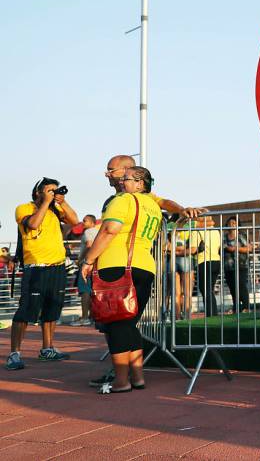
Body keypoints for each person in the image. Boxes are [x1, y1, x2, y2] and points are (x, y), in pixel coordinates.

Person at [80, 167, 159, 393]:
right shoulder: (152, 205)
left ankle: (121, 381)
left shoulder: (122, 200)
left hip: (117, 264)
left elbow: (109, 229)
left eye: (126, 179)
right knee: (129, 322)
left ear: (140, 183)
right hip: (145, 265)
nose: (122, 182)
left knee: (115, 323)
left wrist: (88, 260)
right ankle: (137, 377)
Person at [7, 178, 79, 370]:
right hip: (36, 267)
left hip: (57, 266)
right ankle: (14, 353)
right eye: (49, 191)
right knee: (25, 310)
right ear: (38, 192)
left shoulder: (56, 210)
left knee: (52, 309)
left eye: (54, 191)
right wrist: (47, 202)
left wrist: (62, 202)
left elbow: (75, 221)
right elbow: (32, 224)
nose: (52, 194)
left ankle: (47, 348)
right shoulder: (24, 208)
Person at [188, 217, 222, 316]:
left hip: (204, 261)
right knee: (209, 291)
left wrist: (177, 251)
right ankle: (213, 314)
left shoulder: (197, 230)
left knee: (206, 291)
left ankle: (211, 316)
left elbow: (193, 250)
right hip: (216, 261)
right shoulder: (215, 230)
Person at [69, 214, 98, 326]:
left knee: (85, 291)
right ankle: (90, 316)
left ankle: (85, 317)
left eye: (85, 221)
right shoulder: (97, 232)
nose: (83, 223)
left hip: (86, 264)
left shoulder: (89, 232)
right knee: (91, 291)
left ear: (92, 223)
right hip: (95, 264)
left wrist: (81, 259)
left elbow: (89, 245)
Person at [223, 216, 251, 312]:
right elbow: (222, 247)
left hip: (241, 265)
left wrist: (235, 249)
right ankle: (236, 307)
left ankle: (246, 307)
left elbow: (249, 248)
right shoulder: (224, 237)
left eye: (234, 223)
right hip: (228, 267)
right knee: (232, 288)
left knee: (241, 285)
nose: (231, 225)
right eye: (230, 223)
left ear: (237, 225)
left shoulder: (241, 236)